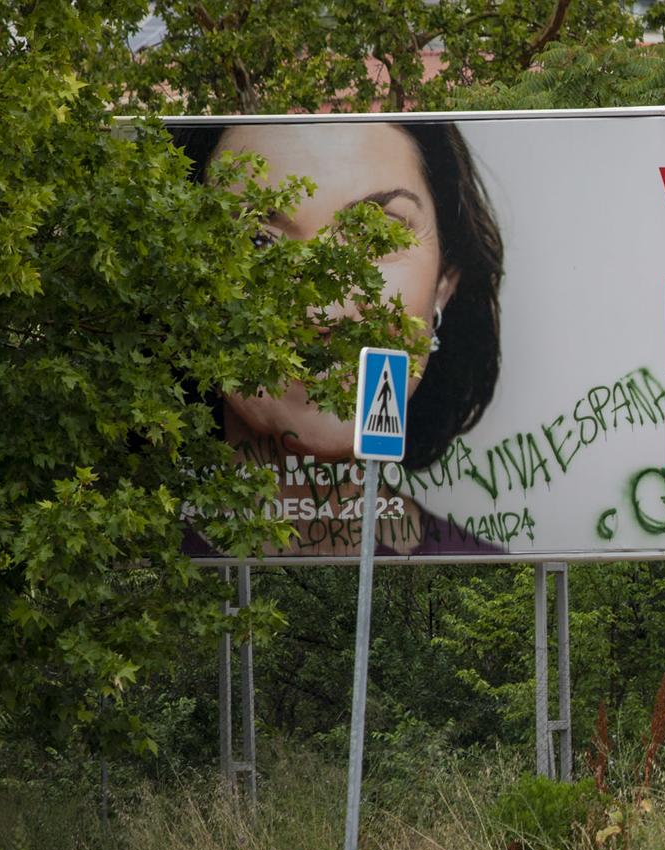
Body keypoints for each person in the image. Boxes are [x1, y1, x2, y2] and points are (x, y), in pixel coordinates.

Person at [171, 120, 506, 556]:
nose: (324, 312)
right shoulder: (113, 583)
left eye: (375, 237)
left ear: (444, 282)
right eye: (258, 241)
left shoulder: (483, 582)